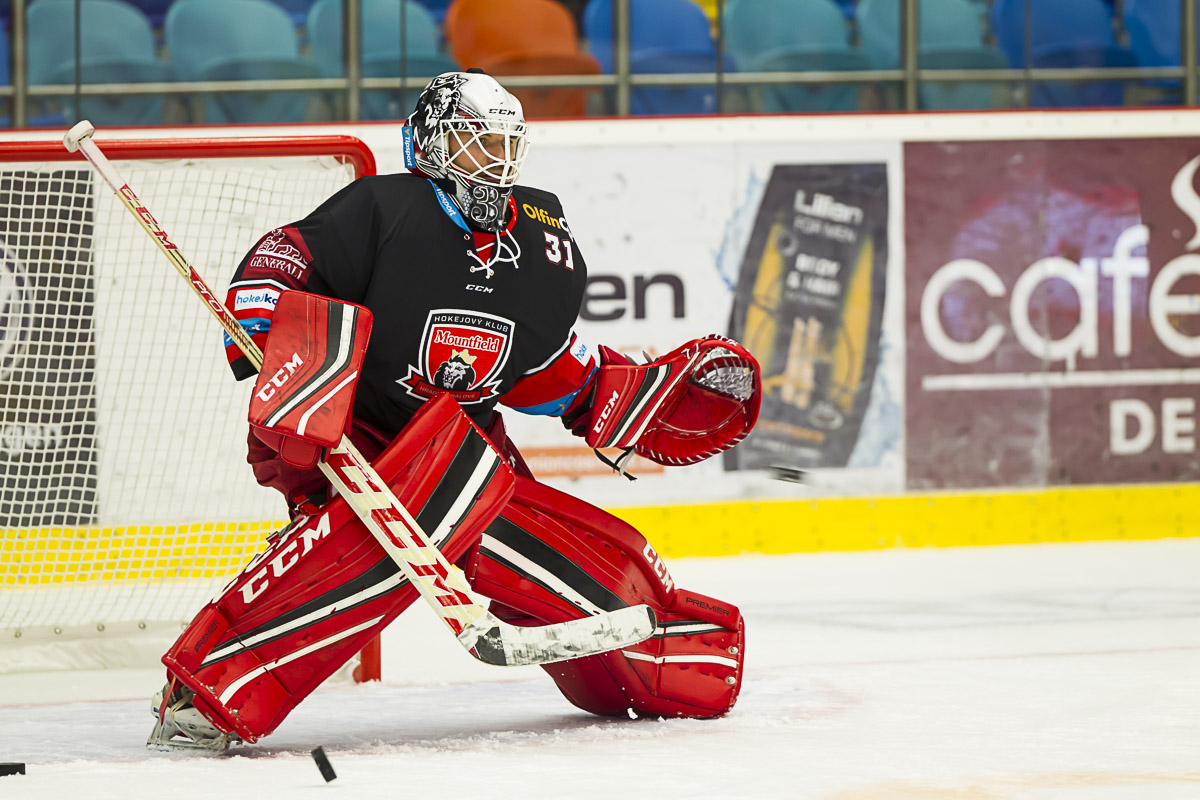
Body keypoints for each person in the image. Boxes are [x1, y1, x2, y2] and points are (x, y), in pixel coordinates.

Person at [148, 69, 760, 751]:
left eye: (502, 143)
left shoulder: (544, 246)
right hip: (349, 435)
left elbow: (537, 367)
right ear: (431, 144)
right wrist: (271, 320)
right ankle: (210, 691)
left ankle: (670, 663)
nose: (491, 160)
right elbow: (284, 257)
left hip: (465, 450)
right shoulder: (382, 209)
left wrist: (615, 394)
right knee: (379, 534)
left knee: (565, 557)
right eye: (474, 142)